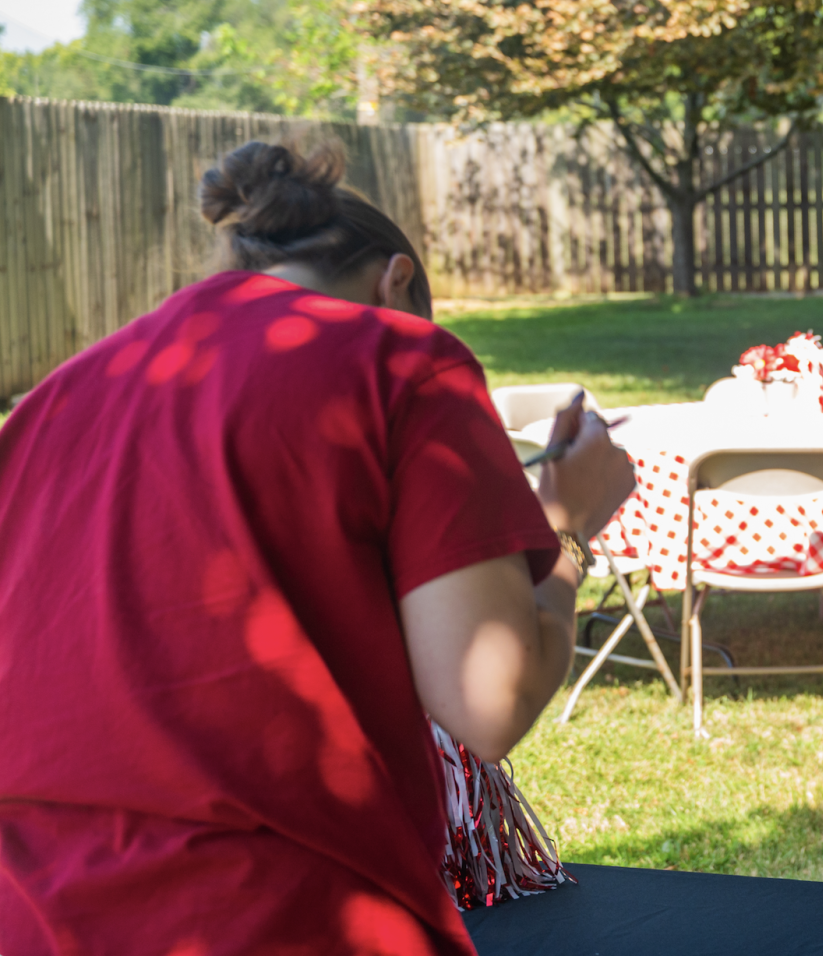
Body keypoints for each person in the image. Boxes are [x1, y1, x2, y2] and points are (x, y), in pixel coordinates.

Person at [0, 142, 635, 955]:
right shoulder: (403, 360)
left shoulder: (58, 394)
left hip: (35, 905)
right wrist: (566, 524)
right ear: (396, 281)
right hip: (274, 909)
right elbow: (489, 702)